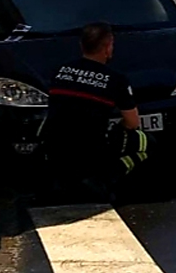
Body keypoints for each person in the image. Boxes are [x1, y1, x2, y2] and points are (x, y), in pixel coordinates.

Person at [42, 23, 151, 193]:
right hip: (91, 151)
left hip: (54, 146)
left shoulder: (59, 71)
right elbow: (132, 122)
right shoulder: (116, 80)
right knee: (145, 143)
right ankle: (105, 177)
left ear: (81, 45)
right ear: (108, 47)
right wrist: (117, 130)